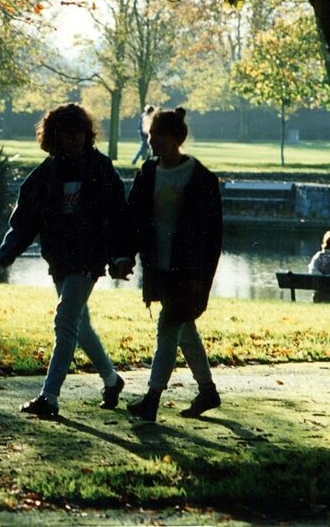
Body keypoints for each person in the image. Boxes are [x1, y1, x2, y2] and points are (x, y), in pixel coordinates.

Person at [0, 103, 128, 420]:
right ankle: (112, 379)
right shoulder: (46, 174)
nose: (73, 140)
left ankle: (49, 397)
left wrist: (120, 255)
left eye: (78, 133)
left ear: (86, 134)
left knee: (65, 321)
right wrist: (8, 251)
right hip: (59, 260)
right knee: (80, 327)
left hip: (88, 259)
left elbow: (118, 217)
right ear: (56, 138)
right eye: (66, 135)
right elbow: (24, 220)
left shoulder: (101, 169)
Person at [116, 107, 223, 423]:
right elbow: (133, 220)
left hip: (187, 272)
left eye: (158, 136)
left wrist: (204, 281)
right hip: (158, 267)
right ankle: (207, 391)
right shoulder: (148, 173)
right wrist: (124, 255)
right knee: (183, 329)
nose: (152, 142)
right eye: (150, 136)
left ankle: (152, 398)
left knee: (167, 328)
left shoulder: (201, 179)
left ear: (177, 138)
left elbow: (212, 237)